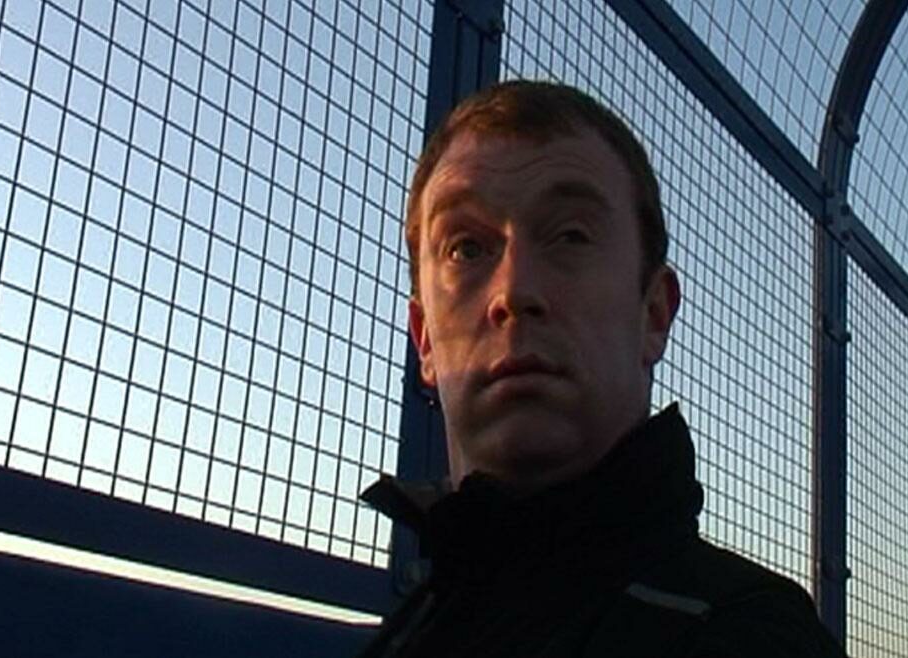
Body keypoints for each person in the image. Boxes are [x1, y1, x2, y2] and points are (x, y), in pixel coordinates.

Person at [357, 81, 845, 658]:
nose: (513, 292)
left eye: (570, 235)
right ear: (425, 342)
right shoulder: (407, 634)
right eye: (466, 248)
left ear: (655, 314)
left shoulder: (749, 634)